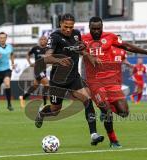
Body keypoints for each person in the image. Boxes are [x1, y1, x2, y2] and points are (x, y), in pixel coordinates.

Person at [81, 16, 147, 148]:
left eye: (98, 29)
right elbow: (78, 49)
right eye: (93, 29)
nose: (96, 31)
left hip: (111, 81)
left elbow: (127, 46)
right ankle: (113, 140)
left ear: (102, 27)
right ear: (89, 28)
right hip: (94, 81)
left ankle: (106, 108)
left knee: (124, 112)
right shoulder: (83, 39)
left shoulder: (110, 37)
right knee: (107, 112)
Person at [34, 13, 104, 146]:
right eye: (65, 26)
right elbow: (47, 57)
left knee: (87, 100)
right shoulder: (54, 37)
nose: (68, 29)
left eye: (70, 27)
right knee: (55, 110)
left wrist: (91, 57)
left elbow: (81, 50)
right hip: (58, 80)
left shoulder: (77, 34)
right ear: (60, 24)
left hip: (73, 78)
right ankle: (42, 113)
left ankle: (94, 134)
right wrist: (58, 60)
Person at [19, 36, 49, 108]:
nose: (42, 40)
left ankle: (23, 97)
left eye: (44, 39)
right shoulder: (36, 48)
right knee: (47, 84)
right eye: (41, 39)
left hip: (44, 70)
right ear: (39, 41)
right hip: (37, 69)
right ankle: (45, 104)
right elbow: (28, 54)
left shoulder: (48, 49)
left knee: (35, 86)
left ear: (46, 41)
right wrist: (30, 63)